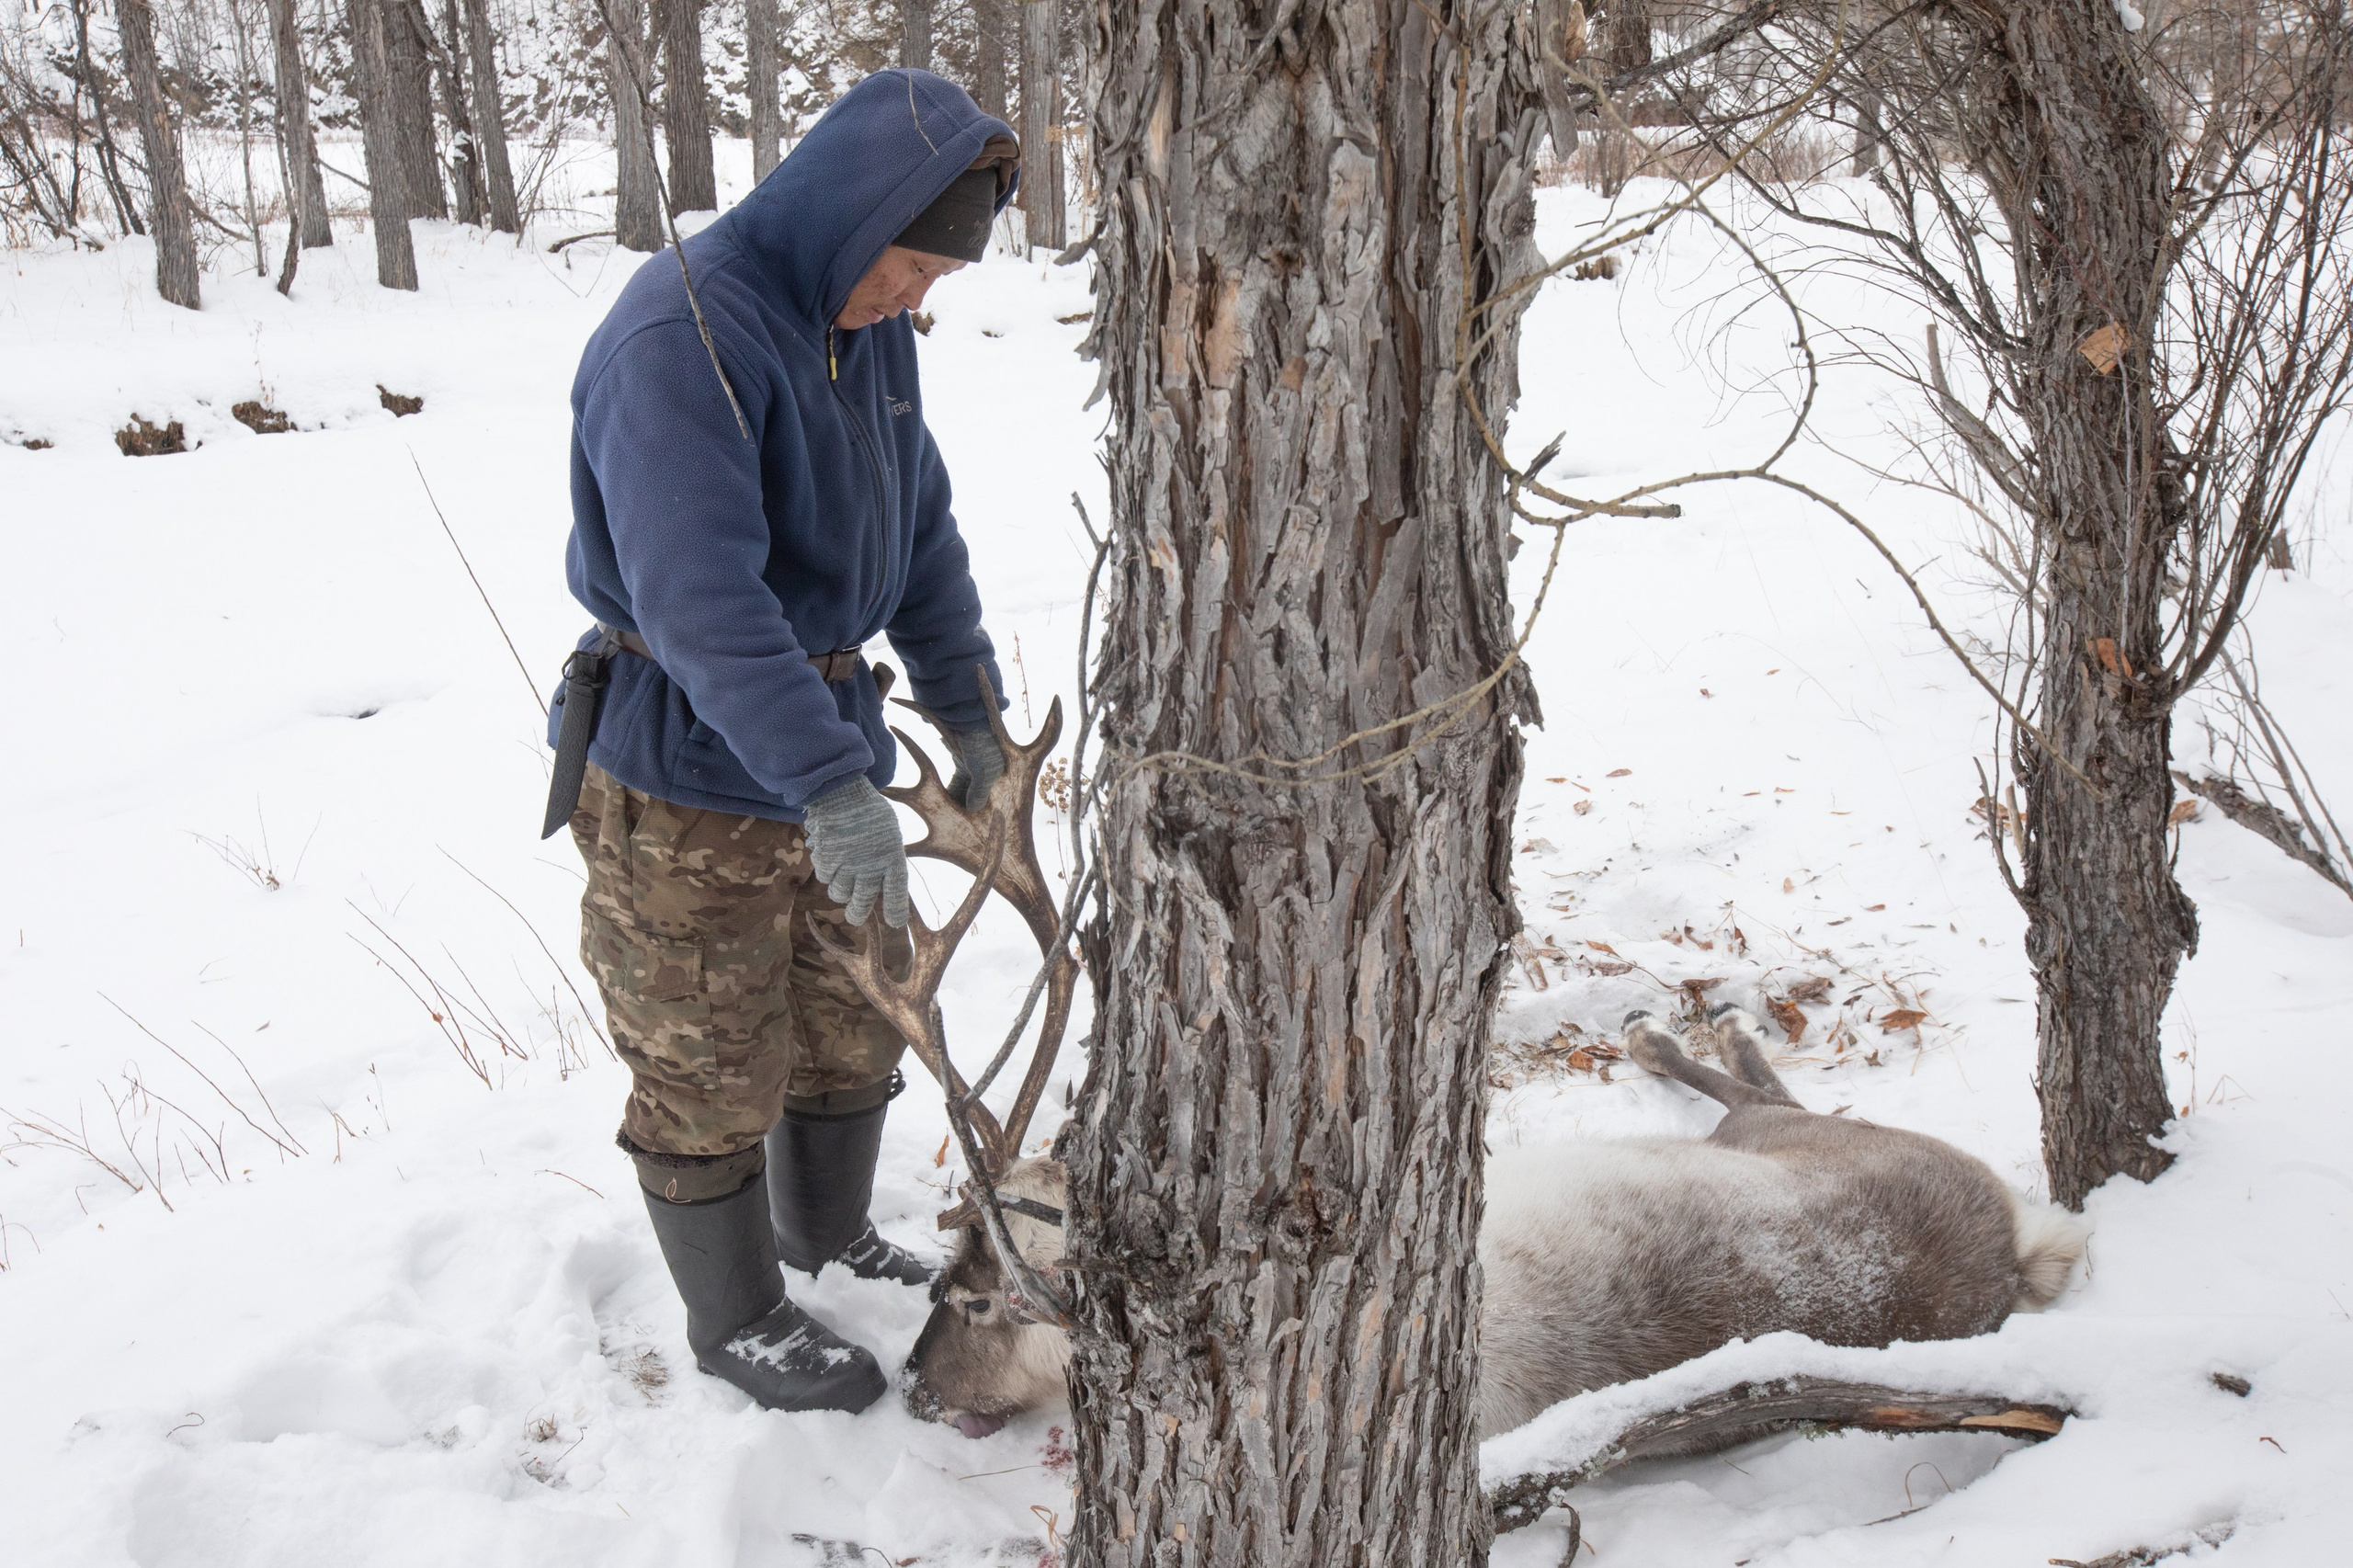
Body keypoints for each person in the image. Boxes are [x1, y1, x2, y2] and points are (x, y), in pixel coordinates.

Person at [543, 71, 1019, 1415]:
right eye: (907, 267)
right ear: (845, 214)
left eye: (934, 281)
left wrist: (966, 703)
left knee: (852, 1016)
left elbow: (916, 531)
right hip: (688, 771)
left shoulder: (864, 329)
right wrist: (823, 779)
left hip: (832, 746)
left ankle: (828, 1233)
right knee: (708, 1053)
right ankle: (738, 1312)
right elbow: (699, 600)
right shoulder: (681, 336)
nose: (913, 300)